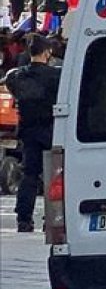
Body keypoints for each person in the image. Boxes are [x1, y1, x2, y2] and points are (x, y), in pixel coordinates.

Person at [4, 35, 61, 232]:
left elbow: (12, 87)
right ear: (47, 52)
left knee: (29, 174)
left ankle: (24, 219)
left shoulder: (17, 76)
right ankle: (52, 218)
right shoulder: (56, 76)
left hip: (28, 130)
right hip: (52, 128)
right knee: (55, 175)